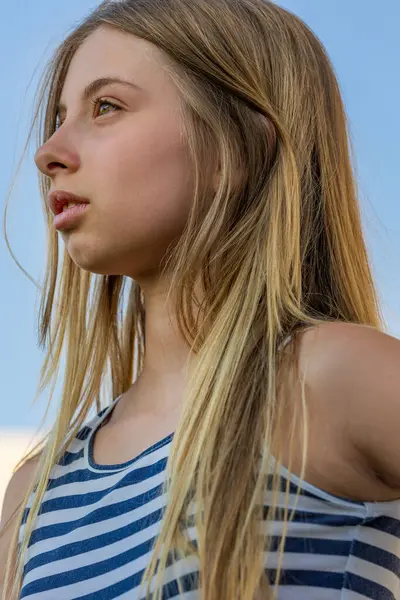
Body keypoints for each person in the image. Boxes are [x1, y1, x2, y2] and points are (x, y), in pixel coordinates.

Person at [1, 0, 399, 598]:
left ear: (236, 146)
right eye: (59, 116)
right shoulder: (34, 494)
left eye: (106, 107)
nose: (48, 152)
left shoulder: (331, 379)